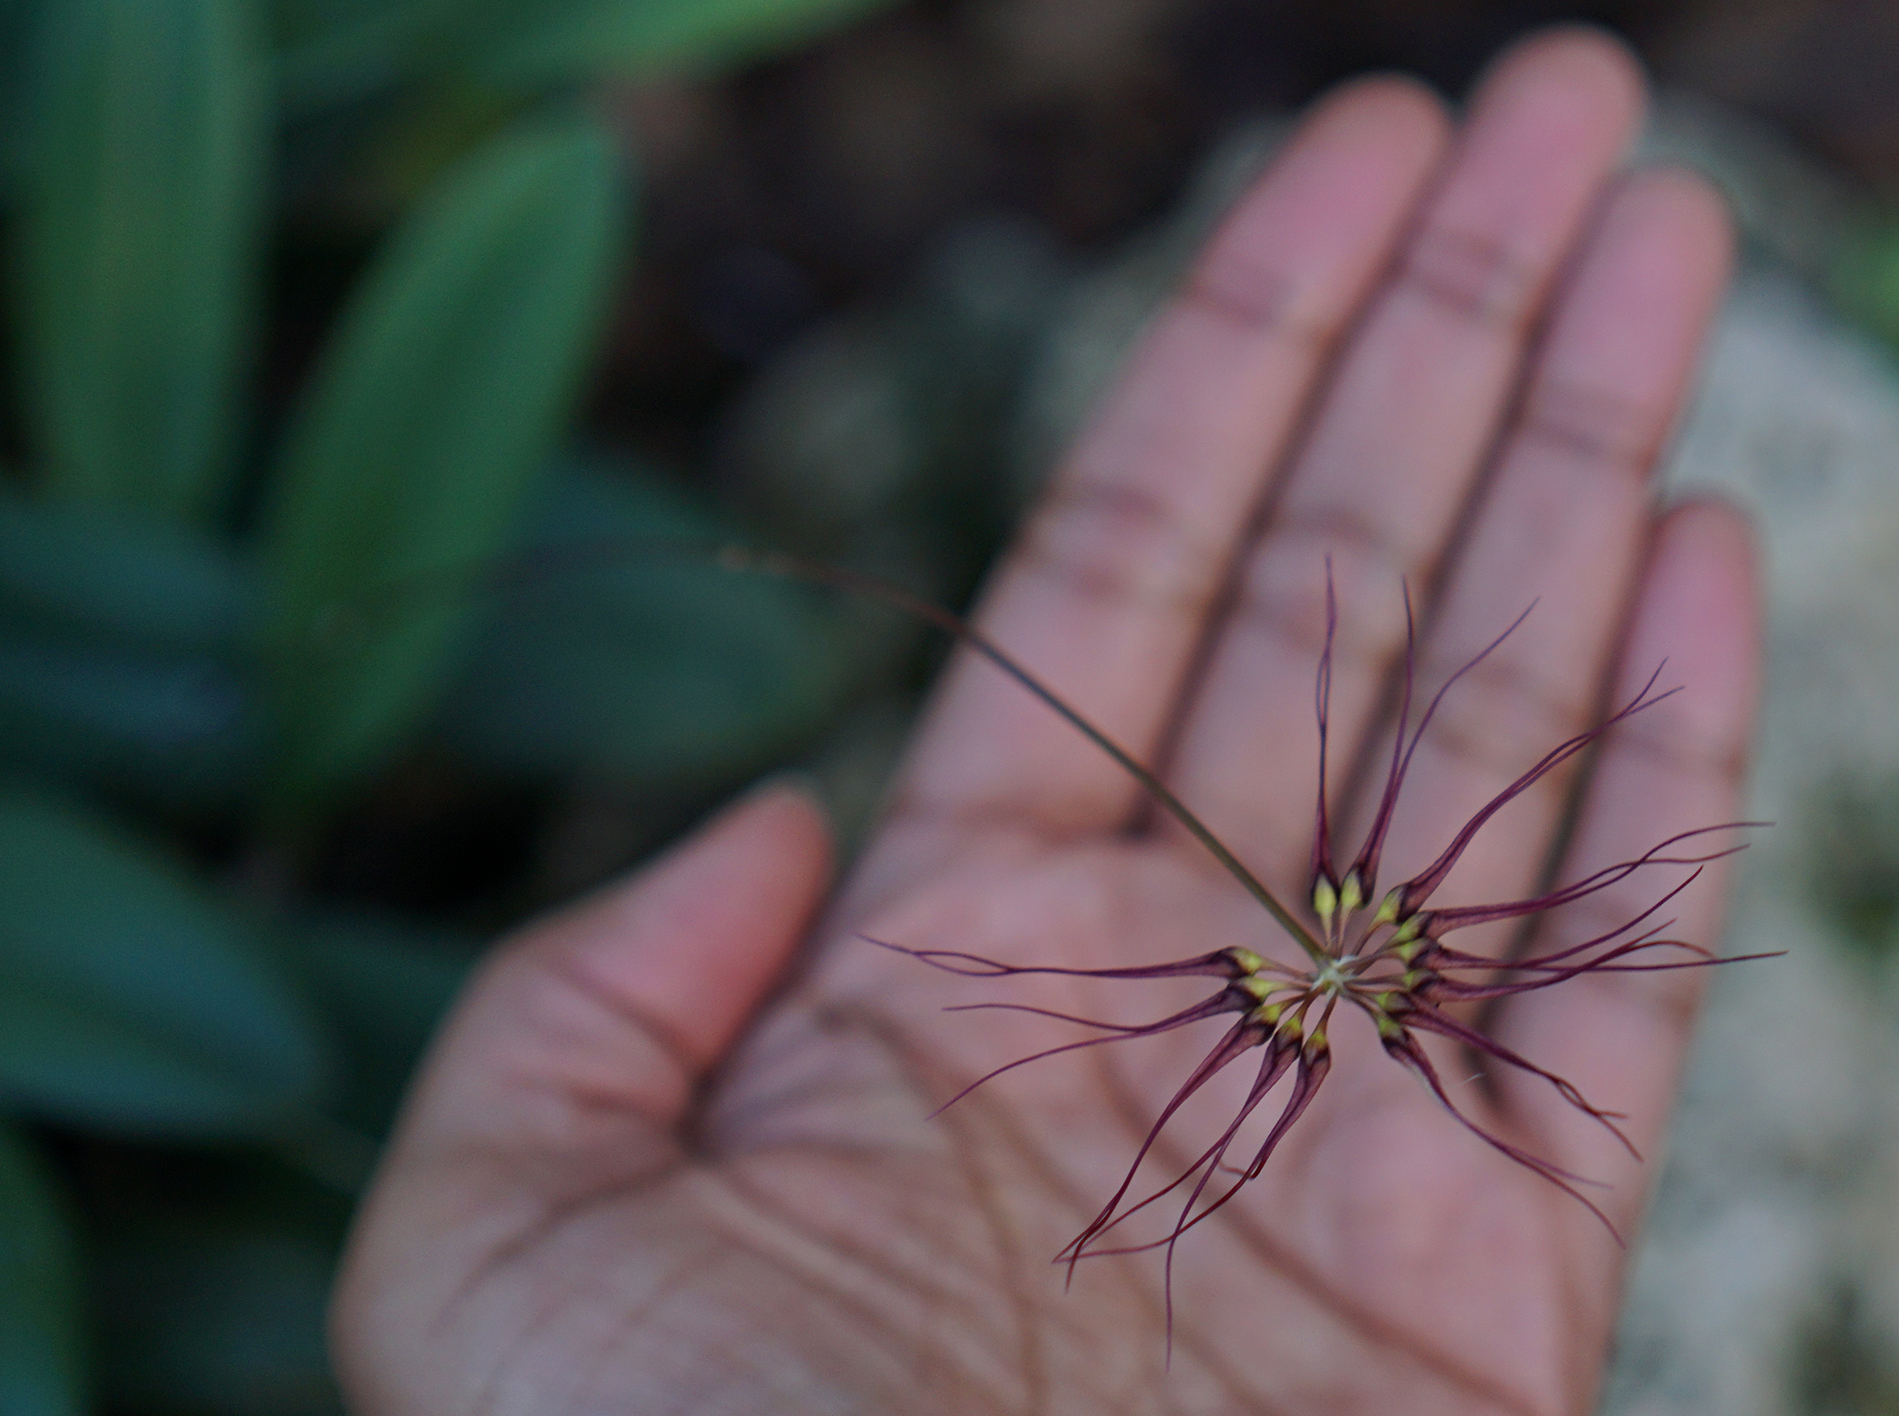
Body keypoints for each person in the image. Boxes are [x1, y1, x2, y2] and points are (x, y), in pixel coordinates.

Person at [330, 25, 1760, 1415]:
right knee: (1410, 827)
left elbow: (1344, 978)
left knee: (1418, 830)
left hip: (1295, 1003)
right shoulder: (1329, 976)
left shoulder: (1324, 982)